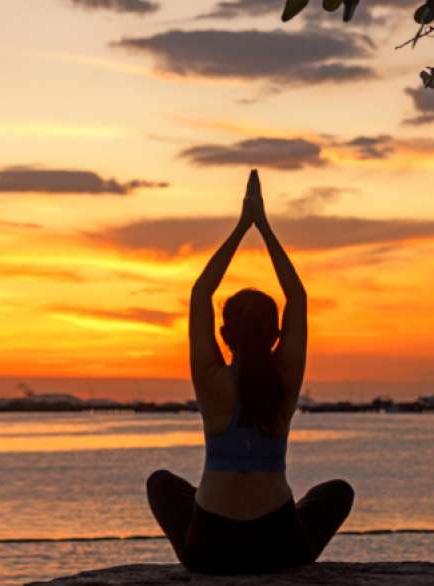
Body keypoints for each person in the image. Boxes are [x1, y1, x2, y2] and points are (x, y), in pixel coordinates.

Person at [146, 169, 354, 574]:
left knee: (160, 483)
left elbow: (200, 293)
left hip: (209, 549)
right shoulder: (286, 380)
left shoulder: (212, 381)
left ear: (224, 334)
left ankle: (198, 554)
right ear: (277, 335)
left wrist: (243, 225)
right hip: (279, 545)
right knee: (337, 492)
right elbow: (297, 295)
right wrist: (264, 226)